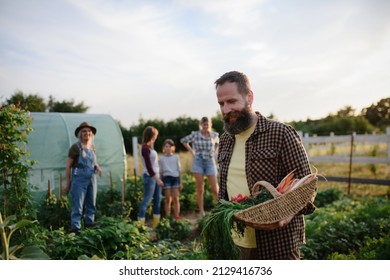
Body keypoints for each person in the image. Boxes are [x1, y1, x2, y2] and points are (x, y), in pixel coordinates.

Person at [214, 71, 316, 260]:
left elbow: (308, 187)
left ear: (249, 97)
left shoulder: (281, 134)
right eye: (221, 103)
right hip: (236, 242)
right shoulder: (225, 140)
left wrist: (285, 216)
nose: (226, 109)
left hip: (276, 243)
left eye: (232, 101)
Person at [65, 122, 102, 233]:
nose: (87, 133)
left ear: (92, 134)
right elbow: (68, 166)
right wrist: (68, 183)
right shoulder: (75, 148)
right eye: (84, 131)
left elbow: (93, 161)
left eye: (89, 131)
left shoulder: (92, 147)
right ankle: (76, 229)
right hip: (79, 178)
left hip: (92, 178)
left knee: (91, 203)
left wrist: (97, 166)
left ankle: (89, 226)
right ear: (80, 134)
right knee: (78, 205)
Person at [180, 116, 219, 217]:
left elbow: (218, 144)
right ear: (201, 125)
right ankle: (201, 211)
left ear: (210, 125)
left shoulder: (214, 135)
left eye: (207, 124)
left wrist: (215, 152)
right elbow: (183, 141)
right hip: (198, 161)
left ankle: (219, 209)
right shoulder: (195, 135)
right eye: (204, 124)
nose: (205, 126)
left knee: (215, 189)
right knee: (200, 189)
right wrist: (192, 151)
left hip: (210, 161)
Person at [137, 126, 164, 228]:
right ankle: (140, 226)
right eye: (155, 135)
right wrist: (157, 179)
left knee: (158, 200)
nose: (156, 138)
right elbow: (149, 167)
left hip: (155, 177)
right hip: (150, 178)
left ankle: (156, 226)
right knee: (146, 201)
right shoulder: (144, 148)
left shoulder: (149, 148)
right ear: (151, 136)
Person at [159, 139, 183, 220]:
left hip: (175, 178)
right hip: (166, 179)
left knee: (176, 198)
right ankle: (168, 217)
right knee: (168, 199)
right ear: (164, 148)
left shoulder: (176, 157)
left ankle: (177, 216)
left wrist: (181, 182)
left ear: (173, 148)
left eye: (170, 146)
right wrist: (161, 181)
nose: (168, 148)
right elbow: (161, 172)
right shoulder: (161, 158)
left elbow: (179, 170)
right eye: (166, 146)